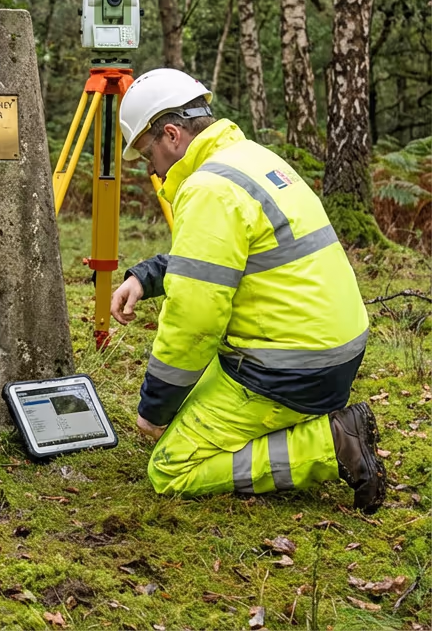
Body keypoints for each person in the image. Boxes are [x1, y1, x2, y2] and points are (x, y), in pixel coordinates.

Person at [112, 68, 385, 512]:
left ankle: (330, 442)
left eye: (149, 156)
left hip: (287, 369)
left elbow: (195, 321)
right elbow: (225, 258)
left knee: (170, 467)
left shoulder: (210, 188)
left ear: (172, 134)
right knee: (190, 416)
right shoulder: (253, 159)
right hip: (333, 351)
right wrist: (144, 277)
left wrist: (154, 409)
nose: (153, 171)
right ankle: (309, 426)